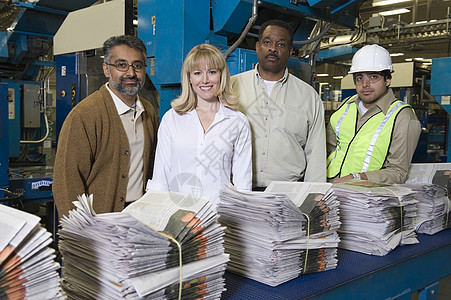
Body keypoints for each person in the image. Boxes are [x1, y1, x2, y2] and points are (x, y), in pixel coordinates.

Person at [53, 35, 158, 217]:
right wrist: (81, 233)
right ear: (106, 69)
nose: (131, 73)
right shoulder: (85, 115)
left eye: (138, 65)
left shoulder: (148, 112)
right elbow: (66, 181)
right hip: (100, 222)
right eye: (121, 65)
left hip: (140, 218)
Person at [146, 43, 252, 205]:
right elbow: (161, 177)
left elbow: (243, 183)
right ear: (189, 77)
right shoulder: (172, 119)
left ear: (221, 75)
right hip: (178, 215)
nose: (205, 80)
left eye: (212, 72)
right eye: (197, 73)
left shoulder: (238, 122)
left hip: (219, 215)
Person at [231, 19, 326, 190]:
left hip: (287, 194)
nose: (273, 48)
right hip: (238, 191)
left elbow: (316, 154)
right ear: (257, 46)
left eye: (281, 45)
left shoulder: (308, 96)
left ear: (290, 52)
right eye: (267, 42)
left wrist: (314, 198)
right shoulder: (231, 87)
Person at [326, 44, 421, 184]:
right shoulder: (345, 106)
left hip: (366, 197)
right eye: (359, 78)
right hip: (329, 189)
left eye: (373, 77)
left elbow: (398, 172)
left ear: (388, 79)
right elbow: (328, 150)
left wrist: (357, 178)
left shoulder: (402, 116)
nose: (365, 84)